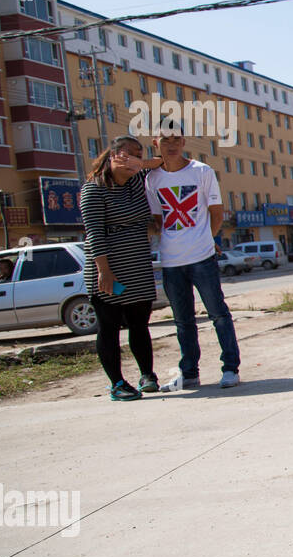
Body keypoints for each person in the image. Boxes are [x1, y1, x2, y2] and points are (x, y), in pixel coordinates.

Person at [145, 124, 242, 389]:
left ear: (184, 141)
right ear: (156, 143)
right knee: (183, 321)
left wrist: (206, 240)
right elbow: (158, 219)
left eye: (176, 139)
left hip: (202, 257)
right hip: (171, 261)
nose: (172, 144)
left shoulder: (202, 171)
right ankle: (189, 373)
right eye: (166, 140)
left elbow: (217, 213)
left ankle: (231, 368)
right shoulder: (152, 179)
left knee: (218, 314)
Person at [80, 136, 160, 401]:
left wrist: (139, 162)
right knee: (110, 326)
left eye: (138, 155)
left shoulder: (138, 181)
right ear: (113, 155)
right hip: (108, 271)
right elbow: (94, 234)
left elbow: (162, 161)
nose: (134, 160)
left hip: (137, 266)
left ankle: (147, 375)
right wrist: (104, 271)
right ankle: (117, 383)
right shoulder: (94, 189)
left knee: (139, 324)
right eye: (128, 154)